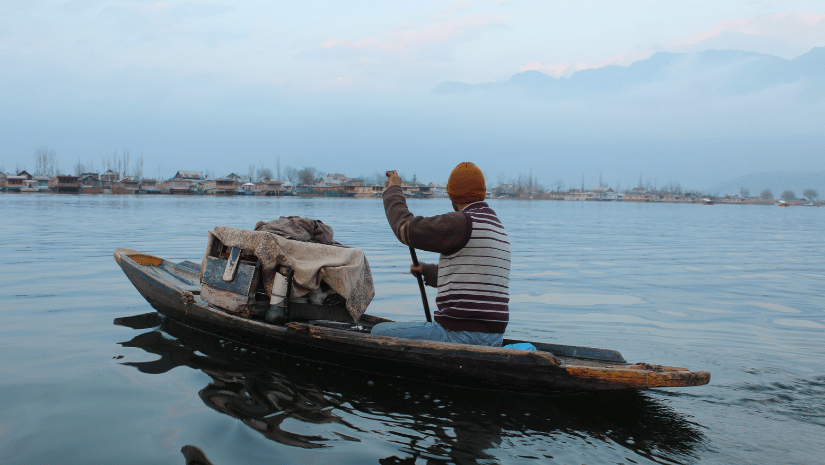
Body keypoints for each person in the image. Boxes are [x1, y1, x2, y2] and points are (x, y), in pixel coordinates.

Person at [371, 162, 511, 347]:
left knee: (376, 333)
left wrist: (393, 190)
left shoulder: (462, 222)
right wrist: (427, 272)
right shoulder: (496, 226)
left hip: (460, 335)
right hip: (493, 337)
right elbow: (470, 277)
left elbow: (405, 228)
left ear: (453, 195)